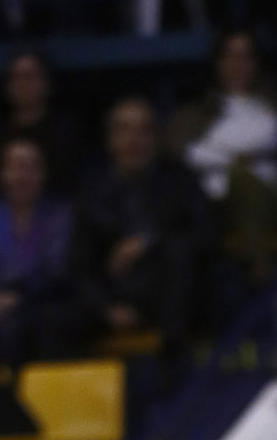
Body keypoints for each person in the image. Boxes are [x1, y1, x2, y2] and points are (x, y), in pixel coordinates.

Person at [167, 27, 277, 278]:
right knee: (238, 179)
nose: (237, 65)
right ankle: (258, 259)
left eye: (245, 56)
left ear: (257, 62)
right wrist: (236, 160)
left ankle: (258, 267)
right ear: (217, 62)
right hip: (213, 209)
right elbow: (181, 152)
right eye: (229, 56)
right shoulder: (194, 115)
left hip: (276, 203)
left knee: (245, 181)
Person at [73, 94, 211, 357]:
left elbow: (205, 235)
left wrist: (148, 241)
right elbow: (80, 266)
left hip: (169, 297)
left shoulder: (180, 182)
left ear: (156, 138)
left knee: (180, 256)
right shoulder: (91, 193)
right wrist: (107, 308)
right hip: (112, 300)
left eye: (144, 130)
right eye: (124, 129)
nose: (134, 140)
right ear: (110, 139)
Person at [0, 134, 81, 369]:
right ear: (2, 174)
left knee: (12, 327)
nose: (22, 176)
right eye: (14, 167)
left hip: (38, 302)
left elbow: (57, 271)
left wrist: (18, 298)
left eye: (30, 168)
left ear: (43, 174)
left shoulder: (59, 216)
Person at [0, 45, 84, 207]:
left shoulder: (64, 130)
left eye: (30, 76)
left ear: (47, 81)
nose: (23, 84)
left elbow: (66, 182)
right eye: (17, 77)